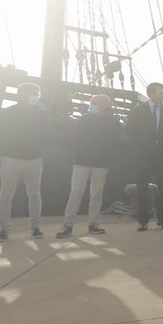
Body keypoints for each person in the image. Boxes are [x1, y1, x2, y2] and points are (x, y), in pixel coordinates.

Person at [56, 94, 122, 238]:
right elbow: (76, 139)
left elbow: (116, 141)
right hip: (82, 162)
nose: (91, 105)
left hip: (101, 163)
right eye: (91, 103)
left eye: (94, 103)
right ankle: (67, 225)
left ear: (105, 105)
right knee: (76, 192)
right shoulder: (84, 120)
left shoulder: (113, 122)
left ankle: (93, 224)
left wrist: (106, 155)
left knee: (96, 195)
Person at [0, 81, 50, 240]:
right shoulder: (7, 113)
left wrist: (37, 148)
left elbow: (46, 134)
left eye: (36, 94)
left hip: (33, 159)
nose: (35, 97)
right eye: (31, 93)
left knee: (34, 194)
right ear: (20, 95)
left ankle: (35, 227)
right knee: (6, 194)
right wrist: (6, 149)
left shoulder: (43, 114)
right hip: (10, 158)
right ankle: (3, 229)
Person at [126, 82, 163, 232]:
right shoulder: (137, 111)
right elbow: (130, 132)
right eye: (160, 93)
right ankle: (143, 221)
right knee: (142, 188)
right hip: (143, 155)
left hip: (161, 155)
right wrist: (139, 149)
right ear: (151, 94)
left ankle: (162, 219)